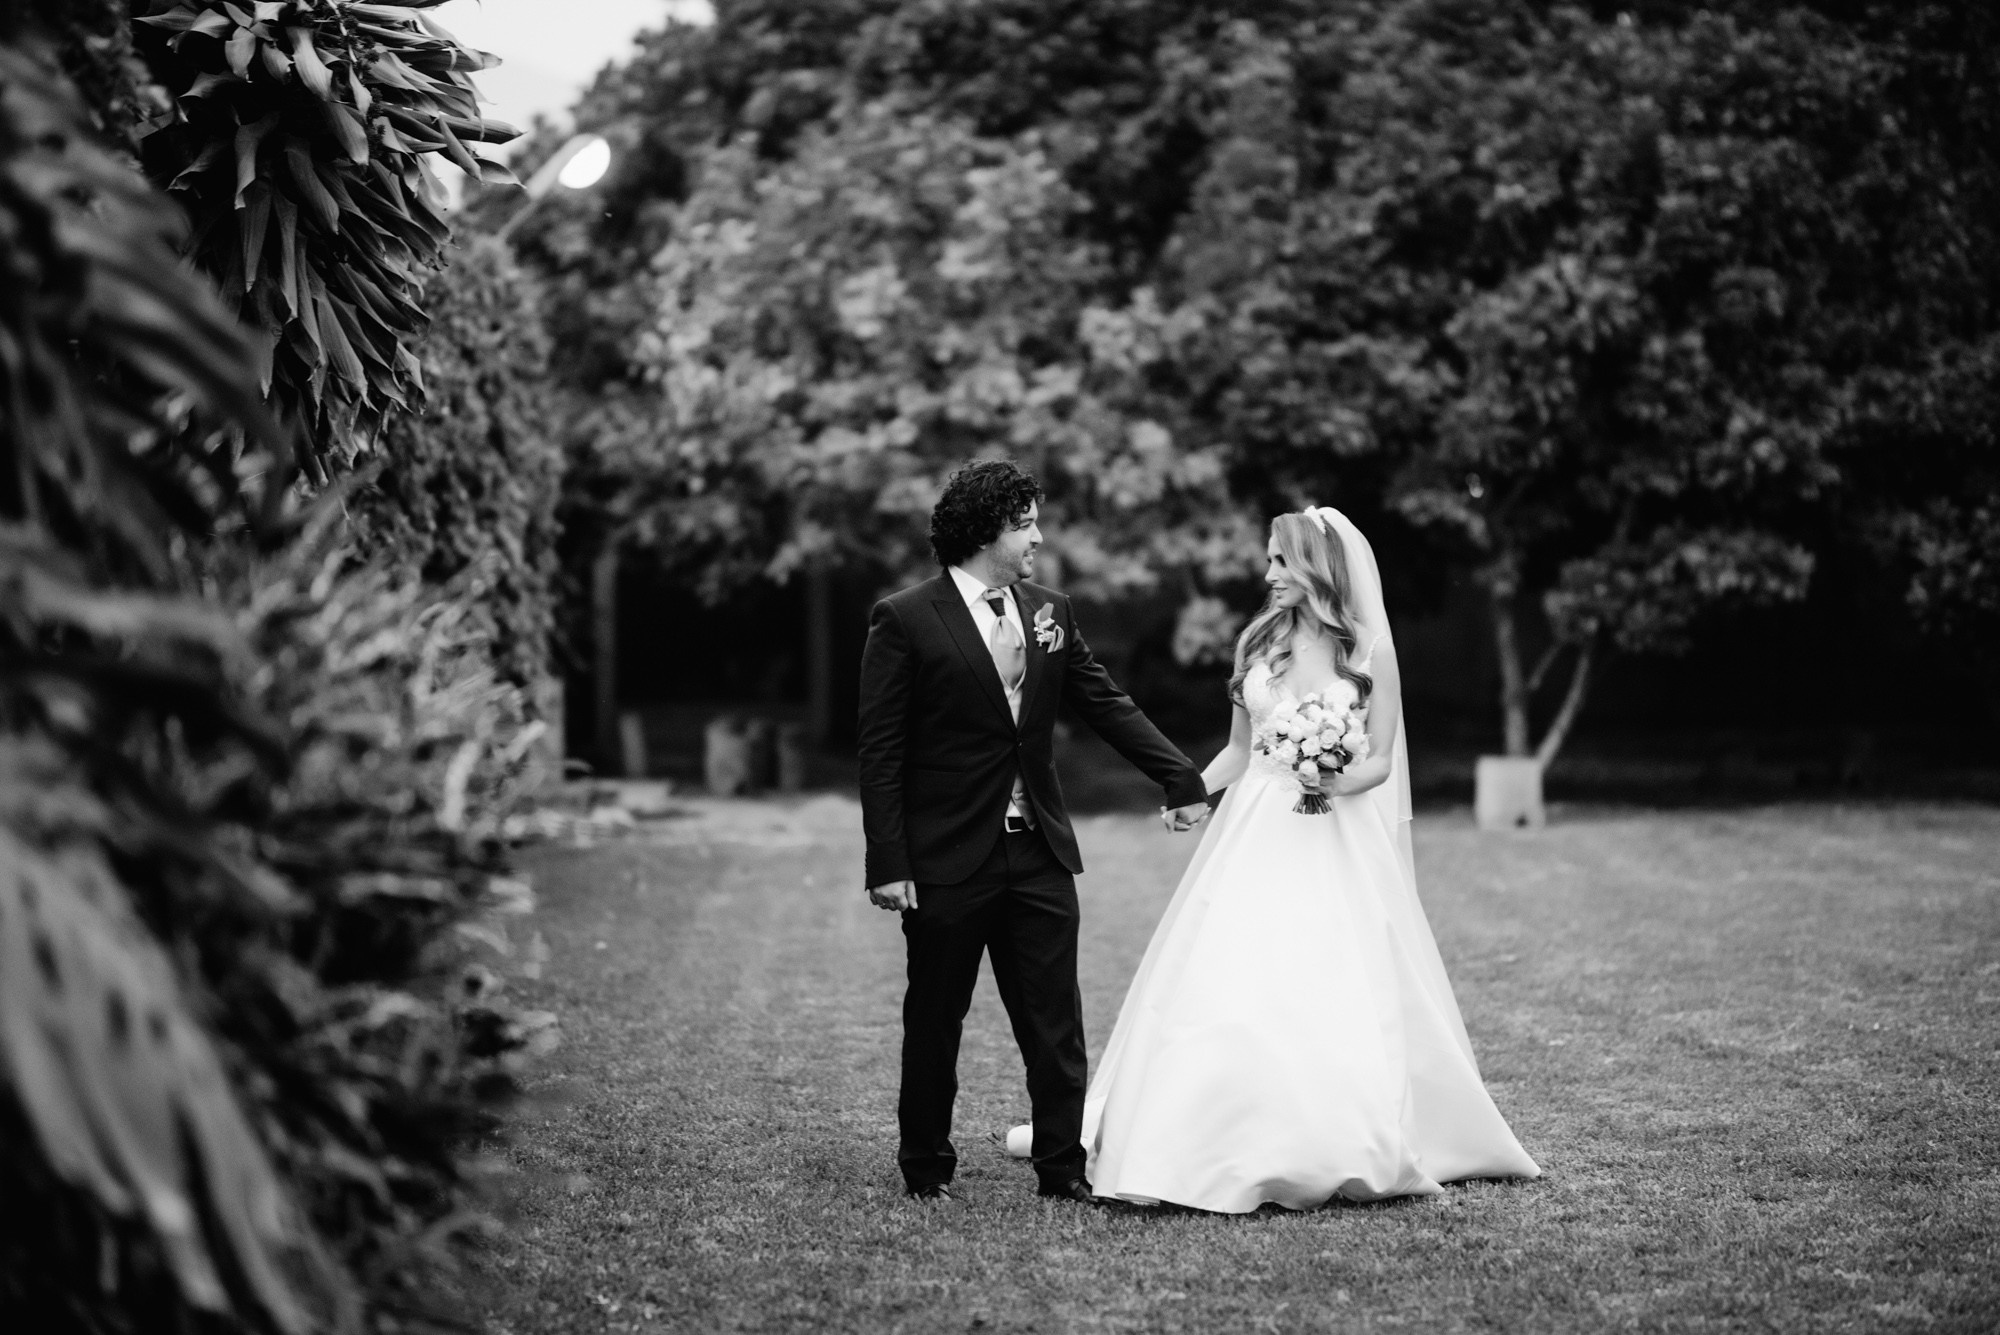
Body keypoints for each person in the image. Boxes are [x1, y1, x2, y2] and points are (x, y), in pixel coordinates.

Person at [1017, 505, 1540, 1211]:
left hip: (1336, 836)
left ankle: (1340, 1135)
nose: (1267, 574)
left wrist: (1331, 774)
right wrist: (1188, 790)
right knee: (1231, 973)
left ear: (1315, 567)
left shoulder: (1369, 651)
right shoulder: (1258, 643)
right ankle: (1212, 1133)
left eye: (1279, 561)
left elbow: (1381, 761)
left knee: (1333, 978)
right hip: (1257, 830)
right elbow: (1240, 750)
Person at [856, 459, 1211, 1204]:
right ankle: (926, 1168)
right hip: (948, 857)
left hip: (1038, 847)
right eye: (1025, 524)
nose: (1038, 538)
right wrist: (889, 860)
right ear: (988, 530)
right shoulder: (905, 618)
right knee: (935, 1020)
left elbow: (1104, 701)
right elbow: (880, 750)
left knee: (1057, 1023)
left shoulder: (1049, 611)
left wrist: (1180, 774)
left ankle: (1062, 1168)